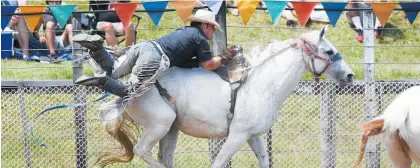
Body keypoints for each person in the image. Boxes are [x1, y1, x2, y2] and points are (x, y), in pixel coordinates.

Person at [73, 9, 236, 99]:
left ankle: (97, 49)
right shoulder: (200, 38)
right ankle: (101, 80)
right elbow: (208, 65)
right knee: (129, 91)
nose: (214, 31)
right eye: (213, 27)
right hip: (154, 58)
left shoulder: (186, 31)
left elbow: (183, 61)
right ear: (205, 25)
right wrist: (225, 56)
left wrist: (195, 62)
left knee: (114, 73)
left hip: (145, 46)